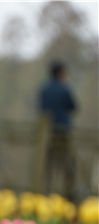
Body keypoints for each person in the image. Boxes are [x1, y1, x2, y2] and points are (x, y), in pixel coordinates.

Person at [38, 60, 77, 201]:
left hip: (46, 134)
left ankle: (43, 195)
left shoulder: (44, 90)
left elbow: (41, 109)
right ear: (60, 73)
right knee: (67, 165)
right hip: (63, 133)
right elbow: (73, 107)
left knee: (46, 166)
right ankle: (67, 197)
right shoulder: (64, 89)